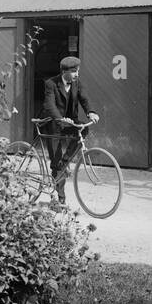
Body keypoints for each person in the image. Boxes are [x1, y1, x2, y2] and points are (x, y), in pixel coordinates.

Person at [41, 56, 99, 206]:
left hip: (70, 121)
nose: (77, 74)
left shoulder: (76, 82)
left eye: (77, 71)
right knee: (55, 160)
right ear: (64, 71)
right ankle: (61, 200)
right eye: (74, 72)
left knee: (83, 130)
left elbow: (84, 98)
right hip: (53, 124)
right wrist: (60, 119)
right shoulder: (51, 83)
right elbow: (49, 105)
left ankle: (64, 163)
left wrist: (90, 112)